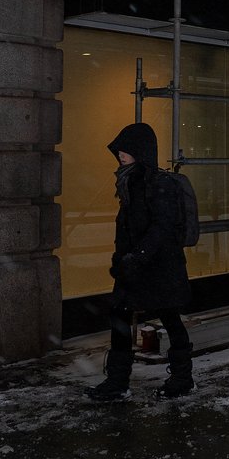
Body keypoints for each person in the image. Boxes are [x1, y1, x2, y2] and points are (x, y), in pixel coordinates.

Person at [86, 122, 195, 402]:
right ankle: (118, 381)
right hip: (134, 269)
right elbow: (127, 229)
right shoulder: (128, 182)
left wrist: (138, 257)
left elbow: (162, 227)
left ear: (142, 151)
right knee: (121, 318)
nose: (121, 153)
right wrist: (122, 260)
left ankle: (182, 378)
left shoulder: (158, 184)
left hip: (160, 267)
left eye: (127, 148)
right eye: (120, 148)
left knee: (170, 318)